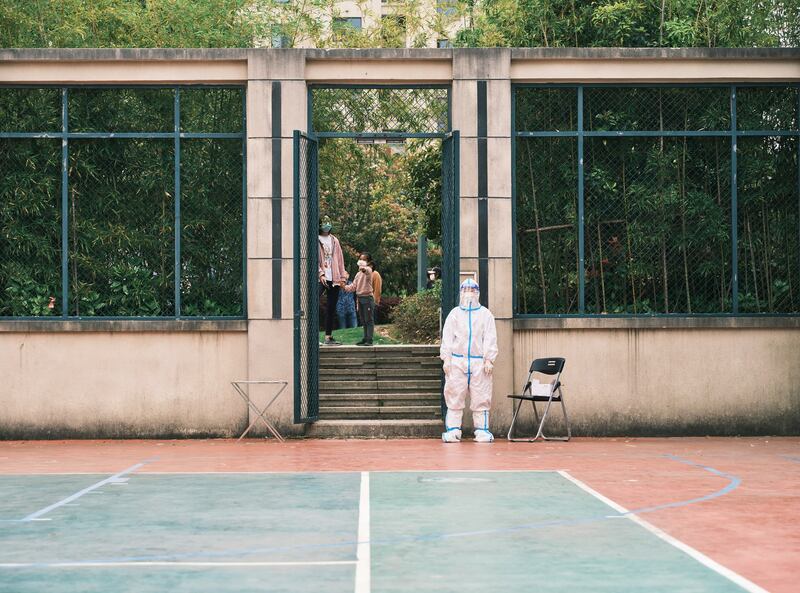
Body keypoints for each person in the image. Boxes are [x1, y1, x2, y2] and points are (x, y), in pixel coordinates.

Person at [440, 278, 498, 443]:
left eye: (472, 290)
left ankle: (482, 430)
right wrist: (446, 358)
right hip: (457, 361)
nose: (469, 293)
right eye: (466, 290)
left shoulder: (485, 314)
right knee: (454, 395)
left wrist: (489, 359)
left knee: (482, 395)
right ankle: (453, 430)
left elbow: (490, 338)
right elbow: (448, 338)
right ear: (461, 292)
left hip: (479, 361)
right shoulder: (454, 314)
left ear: (477, 293)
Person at [318, 218, 347, 346]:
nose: (327, 224)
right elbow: (313, 259)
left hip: (334, 279)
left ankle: (328, 337)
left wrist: (342, 278)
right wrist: (321, 274)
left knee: (331, 308)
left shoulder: (335, 240)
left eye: (329, 222)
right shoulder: (316, 239)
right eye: (324, 222)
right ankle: (312, 335)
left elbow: (340, 260)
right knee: (312, 305)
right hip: (321, 278)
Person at [344, 253, 374, 346]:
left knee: (369, 320)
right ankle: (365, 338)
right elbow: (353, 287)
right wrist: (343, 286)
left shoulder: (368, 270)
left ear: (368, 262)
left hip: (367, 298)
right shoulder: (357, 274)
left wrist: (364, 268)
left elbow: (367, 271)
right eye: (360, 259)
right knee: (363, 320)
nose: (361, 261)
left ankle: (369, 339)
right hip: (360, 299)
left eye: (364, 259)